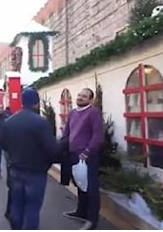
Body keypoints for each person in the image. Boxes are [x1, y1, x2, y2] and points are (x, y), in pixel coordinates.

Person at [2, 88, 59, 230]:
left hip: (15, 169)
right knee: (32, 209)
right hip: (36, 172)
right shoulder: (41, 122)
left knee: (17, 205)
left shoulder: (9, 121)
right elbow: (51, 149)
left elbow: (4, 145)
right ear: (37, 103)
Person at [61, 88, 104, 230]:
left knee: (91, 188)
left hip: (87, 156)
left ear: (90, 100)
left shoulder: (93, 113)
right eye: (79, 95)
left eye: (84, 96)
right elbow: (67, 132)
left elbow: (98, 135)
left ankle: (92, 220)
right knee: (80, 185)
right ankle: (81, 212)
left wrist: (88, 150)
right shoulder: (73, 113)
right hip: (73, 155)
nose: (80, 98)